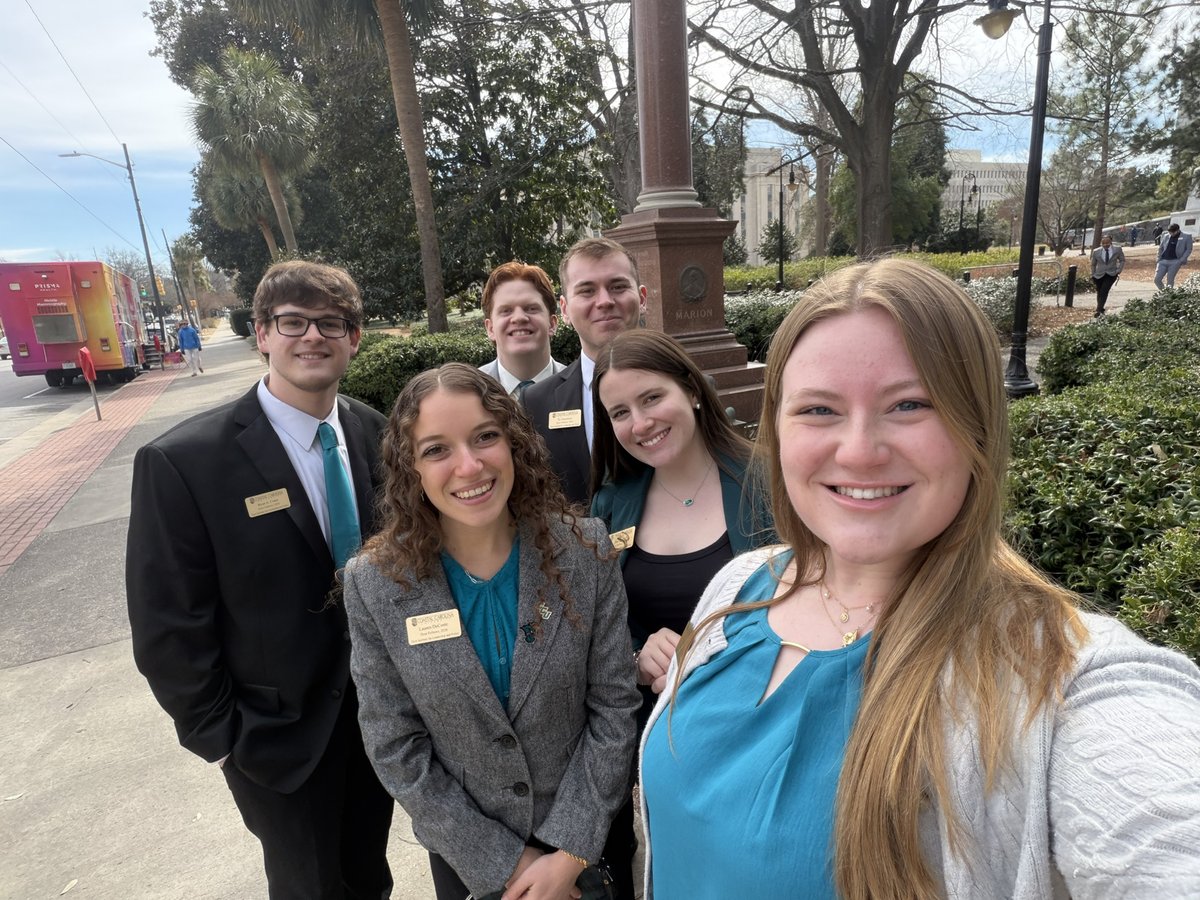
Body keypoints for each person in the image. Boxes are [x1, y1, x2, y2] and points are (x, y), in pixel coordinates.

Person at [639, 259, 1200, 899]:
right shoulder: (738, 587)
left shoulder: (1057, 678)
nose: (858, 450)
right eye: (818, 409)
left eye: (909, 404)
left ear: (977, 426)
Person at [126, 260, 395, 899]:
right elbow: (166, 623)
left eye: (333, 323)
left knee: (370, 877)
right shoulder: (184, 462)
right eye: (293, 322)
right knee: (310, 888)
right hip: (276, 742)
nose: (314, 337)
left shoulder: (375, 432)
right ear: (262, 334)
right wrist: (223, 740)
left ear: (354, 338)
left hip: (382, 721)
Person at [343, 363, 639, 900]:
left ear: (515, 442)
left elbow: (615, 707)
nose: (469, 465)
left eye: (485, 437)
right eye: (436, 449)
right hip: (471, 867)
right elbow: (394, 744)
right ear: (409, 468)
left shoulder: (585, 551)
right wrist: (505, 863)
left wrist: (568, 853)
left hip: (589, 857)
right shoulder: (376, 585)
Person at [590, 329, 775, 719]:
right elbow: (597, 631)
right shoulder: (608, 507)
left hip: (762, 714)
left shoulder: (773, 483)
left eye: (652, 398)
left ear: (692, 391)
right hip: (661, 728)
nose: (640, 424)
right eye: (620, 412)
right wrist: (637, 657)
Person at [524, 237, 646, 506]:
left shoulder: (686, 386)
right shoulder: (536, 402)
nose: (605, 301)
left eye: (617, 286)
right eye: (587, 291)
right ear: (565, 310)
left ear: (642, 297)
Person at [479, 261, 567, 397]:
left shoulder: (583, 388)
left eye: (531, 308)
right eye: (506, 311)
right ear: (490, 329)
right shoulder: (470, 393)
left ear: (552, 324)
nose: (519, 317)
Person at [1089, 234, 1124, 316]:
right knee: (1100, 292)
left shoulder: (1117, 250)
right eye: (1103, 243)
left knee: (1104, 290)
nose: (1105, 245)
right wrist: (1093, 274)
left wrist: (1118, 270)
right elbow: (1093, 264)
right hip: (1099, 275)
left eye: (1107, 242)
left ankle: (1098, 310)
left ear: (1111, 242)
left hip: (1111, 274)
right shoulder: (1096, 251)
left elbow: (1122, 260)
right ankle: (1101, 308)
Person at [1155, 223, 1194, 290]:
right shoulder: (1166, 236)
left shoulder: (1186, 236)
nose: (1171, 234)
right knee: (1157, 279)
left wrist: (1181, 260)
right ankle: (1164, 292)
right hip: (1163, 261)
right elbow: (1160, 248)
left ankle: (1168, 295)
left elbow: (1188, 249)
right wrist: (1159, 258)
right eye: (1170, 232)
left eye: (1173, 232)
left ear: (1177, 230)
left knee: (1170, 280)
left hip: (1175, 261)